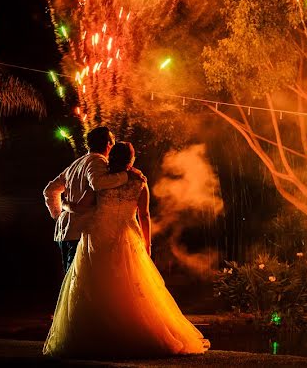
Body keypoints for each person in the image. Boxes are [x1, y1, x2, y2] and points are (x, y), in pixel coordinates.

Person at [43, 142, 210, 358]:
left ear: (112, 157)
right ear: (132, 159)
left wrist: (63, 205)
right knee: (131, 285)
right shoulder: (139, 182)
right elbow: (145, 215)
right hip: (127, 235)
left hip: (98, 235)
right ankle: (134, 334)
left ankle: (96, 336)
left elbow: (82, 207)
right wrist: (147, 244)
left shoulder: (101, 183)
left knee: (95, 285)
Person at [43, 127, 144, 274]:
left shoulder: (76, 164)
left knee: (70, 281)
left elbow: (50, 190)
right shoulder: (97, 161)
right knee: (77, 280)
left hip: (64, 232)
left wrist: (58, 216)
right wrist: (126, 176)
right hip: (80, 232)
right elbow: (98, 183)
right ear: (109, 143)